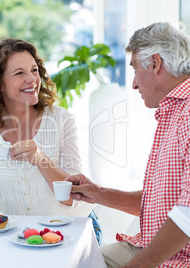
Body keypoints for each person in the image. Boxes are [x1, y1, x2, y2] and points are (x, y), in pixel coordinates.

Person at [0, 38, 101, 243]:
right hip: (19, 237)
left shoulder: (61, 120)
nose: (32, 79)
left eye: (34, 70)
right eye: (19, 73)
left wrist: (40, 159)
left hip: (72, 229)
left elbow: (73, 195)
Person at [67, 22, 190, 268]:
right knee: (73, 260)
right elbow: (163, 201)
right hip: (148, 244)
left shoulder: (187, 113)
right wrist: (98, 194)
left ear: (155, 64)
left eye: (135, 69)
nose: (134, 84)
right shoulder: (174, 110)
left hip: (178, 258)